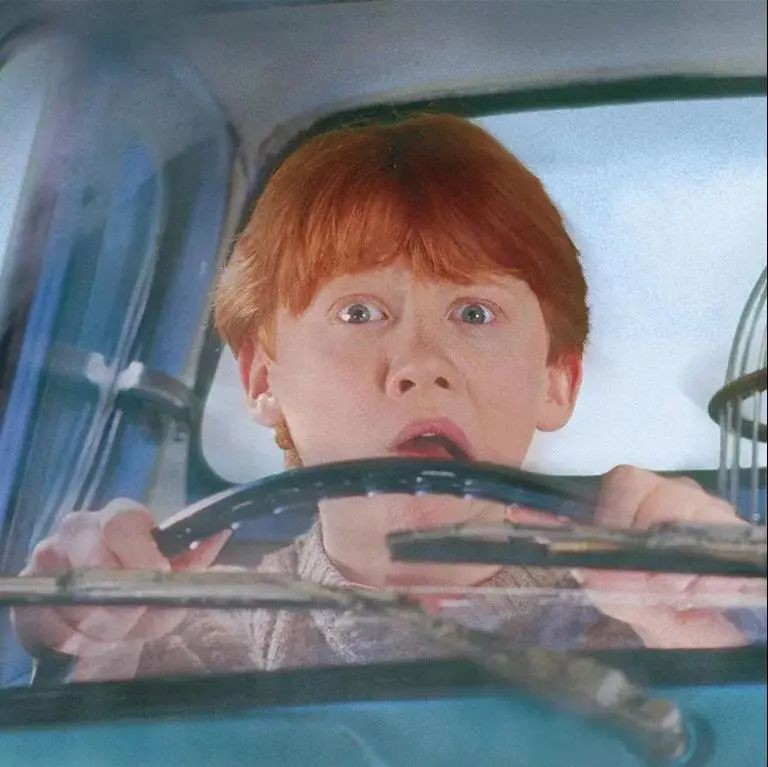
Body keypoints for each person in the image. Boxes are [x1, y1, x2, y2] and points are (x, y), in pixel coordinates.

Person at [12, 114, 754, 682]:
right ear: (263, 380)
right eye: (359, 312)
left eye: (474, 313)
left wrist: (698, 624)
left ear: (557, 382)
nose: (420, 365)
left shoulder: (642, 628)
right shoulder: (195, 640)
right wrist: (84, 636)